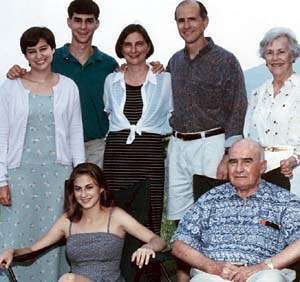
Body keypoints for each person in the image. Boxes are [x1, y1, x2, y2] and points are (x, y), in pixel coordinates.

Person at [7, 0, 163, 169]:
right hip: (59, 146)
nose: (83, 27)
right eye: (78, 20)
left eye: (89, 21)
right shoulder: (52, 59)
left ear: (97, 24)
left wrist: (154, 69)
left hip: (96, 147)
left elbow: (130, 84)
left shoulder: (108, 65)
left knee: (94, 195)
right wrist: (17, 72)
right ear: (69, 22)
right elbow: (31, 78)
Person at [0, 27, 85, 281]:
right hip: (19, 175)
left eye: (43, 49)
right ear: (25, 55)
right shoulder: (10, 87)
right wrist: (1, 181)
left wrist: (79, 180)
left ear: (53, 50)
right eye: (32, 51)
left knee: (53, 239)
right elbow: (1, 135)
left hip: (58, 176)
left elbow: (75, 135)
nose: (39, 55)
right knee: (15, 235)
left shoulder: (69, 87)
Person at [0, 163, 166, 282]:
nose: (83, 194)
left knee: (68, 279)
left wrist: (148, 247)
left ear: (101, 189)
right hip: (77, 280)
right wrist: (12, 252)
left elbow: (159, 240)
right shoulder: (67, 221)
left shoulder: (115, 216)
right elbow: (32, 251)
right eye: (78, 189)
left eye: (89, 187)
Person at [172, 139, 300, 282]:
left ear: (262, 167)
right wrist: (213, 267)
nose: (239, 169)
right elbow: (179, 244)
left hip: (263, 273)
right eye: (233, 162)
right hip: (215, 275)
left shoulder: (282, 200)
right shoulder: (210, 199)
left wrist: (262, 267)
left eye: (247, 162)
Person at [166, 0, 247, 222]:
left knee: (215, 214)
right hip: (178, 146)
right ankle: (184, 258)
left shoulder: (225, 60)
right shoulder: (174, 61)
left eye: (192, 19)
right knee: (179, 216)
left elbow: (238, 107)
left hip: (211, 145)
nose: (186, 25)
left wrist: (229, 154)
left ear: (205, 21)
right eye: (181, 20)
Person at [102, 24, 173, 235]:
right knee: (115, 212)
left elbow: (171, 112)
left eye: (139, 44)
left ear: (148, 46)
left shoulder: (164, 79)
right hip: (118, 156)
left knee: (148, 212)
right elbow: (109, 112)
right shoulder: (111, 80)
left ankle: (148, 264)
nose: (134, 50)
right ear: (121, 49)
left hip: (149, 154)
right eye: (128, 45)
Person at [244, 27, 300, 198]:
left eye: (281, 52)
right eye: (269, 53)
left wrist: (294, 160)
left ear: (293, 56)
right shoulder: (257, 94)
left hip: (293, 171)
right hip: (260, 171)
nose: (275, 58)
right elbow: (248, 135)